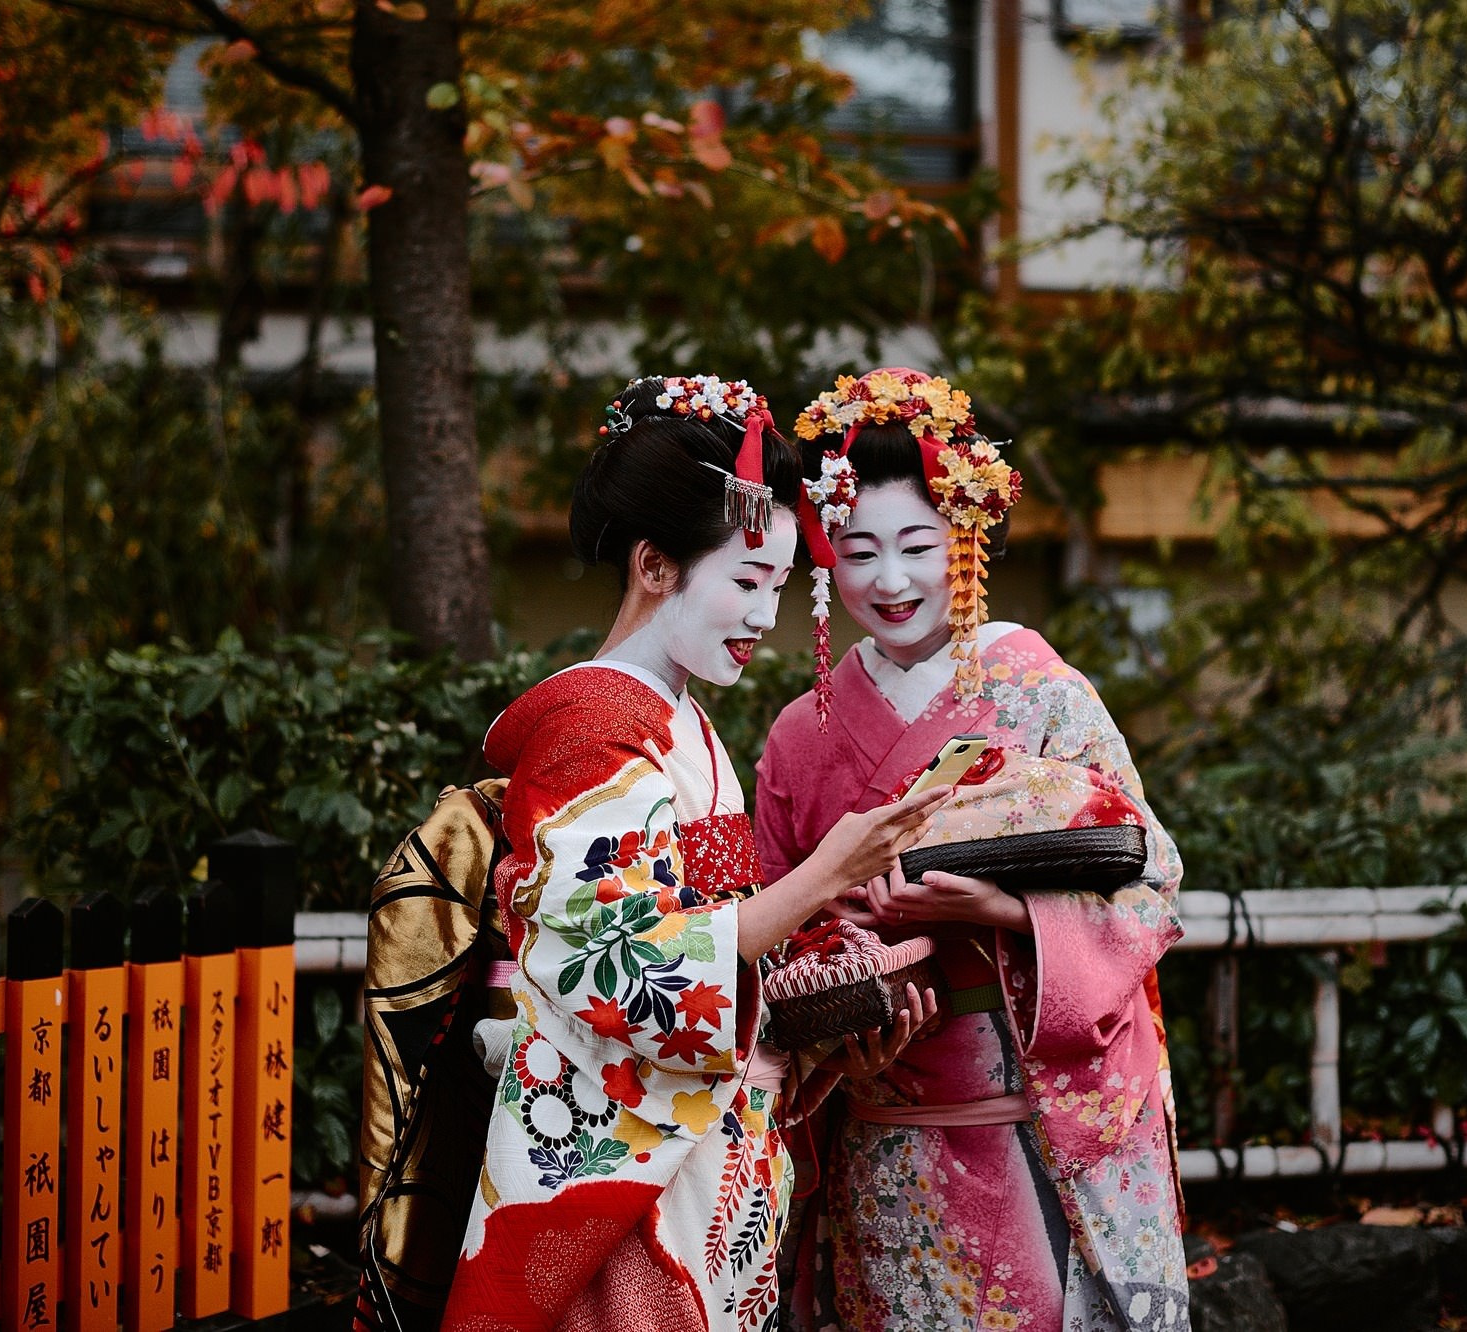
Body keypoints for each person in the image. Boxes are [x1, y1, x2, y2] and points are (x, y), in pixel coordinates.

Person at [442, 374, 949, 1332]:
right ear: (656, 566)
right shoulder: (591, 731)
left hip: (708, 1160)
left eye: (780, 587)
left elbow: (730, 943)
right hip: (620, 1174)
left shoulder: (684, 726)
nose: (765, 616)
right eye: (745, 583)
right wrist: (823, 876)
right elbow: (619, 968)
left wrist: (830, 1011)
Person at [755, 368, 1191, 1332]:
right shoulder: (799, 734)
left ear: (965, 540)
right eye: (859, 551)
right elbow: (769, 920)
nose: (891, 580)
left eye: (918, 545)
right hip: (878, 1117)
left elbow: (1152, 884)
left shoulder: (1042, 695)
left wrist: (994, 912)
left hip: (1038, 1123)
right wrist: (834, 970)